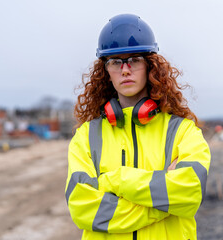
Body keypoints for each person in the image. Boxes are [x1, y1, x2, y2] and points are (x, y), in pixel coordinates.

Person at [65, 13, 211, 240]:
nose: (125, 70)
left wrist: (116, 180)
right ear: (106, 71)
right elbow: (82, 209)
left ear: (150, 66)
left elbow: (190, 193)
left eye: (134, 60)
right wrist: (164, 202)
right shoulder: (86, 137)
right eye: (115, 62)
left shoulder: (183, 133)